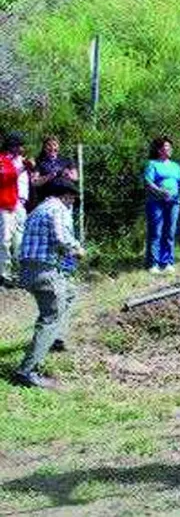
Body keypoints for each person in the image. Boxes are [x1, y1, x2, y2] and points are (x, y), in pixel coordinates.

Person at [10, 178, 85, 389]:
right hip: (44, 271)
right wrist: (78, 249)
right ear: (65, 195)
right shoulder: (57, 208)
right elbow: (61, 238)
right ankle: (26, 371)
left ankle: (55, 339)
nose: (72, 202)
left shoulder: (38, 209)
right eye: (72, 198)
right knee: (50, 317)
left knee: (69, 292)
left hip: (29, 269)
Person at [144, 137, 180, 274]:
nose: (169, 149)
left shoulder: (175, 166)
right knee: (156, 232)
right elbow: (148, 182)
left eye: (170, 147)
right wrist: (160, 191)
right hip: (156, 202)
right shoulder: (152, 164)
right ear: (159, 150)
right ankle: (153, 263)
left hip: (174, 202)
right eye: (166, 147)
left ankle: (167, 262)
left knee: (170, 232)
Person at [0, 132, 31, 288]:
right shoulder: (1, 159)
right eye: (19, 146)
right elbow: (3, 178)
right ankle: (4, 275)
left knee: (20, 239)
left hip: (17, 203)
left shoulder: (20, 160)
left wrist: (27, 167)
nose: (22, 148)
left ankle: (21, 273)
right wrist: (22, 168)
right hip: (3, 204)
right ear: (12, 146)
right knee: (5, 240)